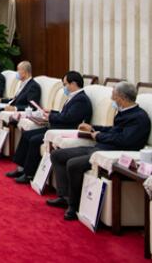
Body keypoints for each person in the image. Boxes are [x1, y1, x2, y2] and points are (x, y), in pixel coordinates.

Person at [49, 81, 150, 220]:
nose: (112, 99)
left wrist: (99, 136)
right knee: (57, 155)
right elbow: (113, 131)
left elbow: (125, 140)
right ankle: (64, 196)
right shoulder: (123, 112)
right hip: (99, 148)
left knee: (73, 164)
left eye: (114, 95)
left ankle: (73, 206)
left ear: (122, 97)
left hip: (110, 153)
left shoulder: (139, 118)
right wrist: (93, 128)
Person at [6, 71, 92, 184]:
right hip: (57, 127)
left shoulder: (81, 99)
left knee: (34, 140)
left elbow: (69, 118)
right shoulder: (74, 97)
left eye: (65, 84)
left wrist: (50, 116)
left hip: (64, 130)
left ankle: (29, 174)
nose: (64, 87)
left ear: (73, 84)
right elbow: (65, 114)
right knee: (27, 134)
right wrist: (51, 112)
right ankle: (21, 168)